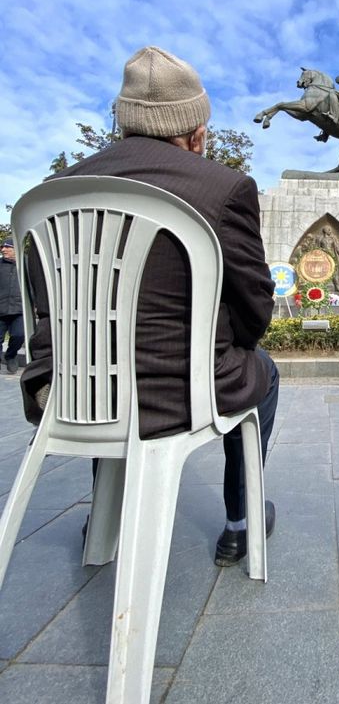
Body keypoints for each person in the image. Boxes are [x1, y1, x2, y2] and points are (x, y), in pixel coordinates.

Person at [21, 46, 278, 566]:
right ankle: (239, 522)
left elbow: (43, 302)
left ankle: (106, 517)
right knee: (264, 371)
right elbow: (255, 305)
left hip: (68, 389)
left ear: (124, 124)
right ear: (197, 134)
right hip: (177, 391)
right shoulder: (223, 188)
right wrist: (238, 343)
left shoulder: (52, 192)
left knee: (98, 365)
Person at [0, 238, 24, 374]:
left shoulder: (26, 264)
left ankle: (11, 356)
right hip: (0, 308)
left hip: (19, 310)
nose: (3, 250)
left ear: (16, 249)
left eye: (7, 247)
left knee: (19, 335)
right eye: (2, 247)